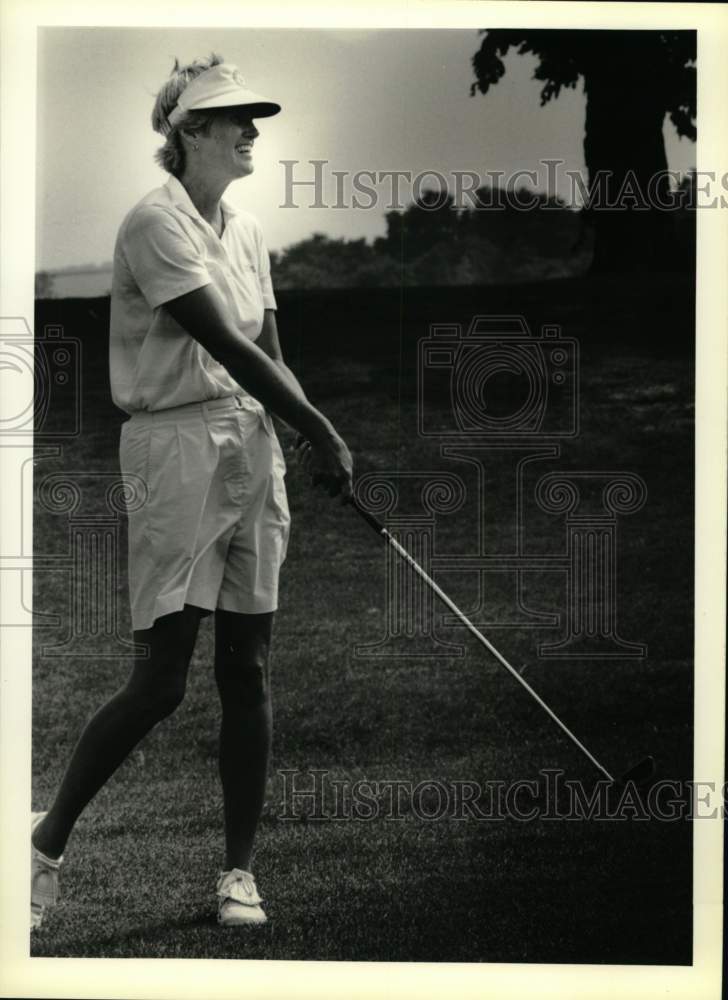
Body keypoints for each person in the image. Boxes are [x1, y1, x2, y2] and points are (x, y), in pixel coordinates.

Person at [30, 53, 353, 931]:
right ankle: (41, 844)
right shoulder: (153, 223)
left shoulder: (245, 232)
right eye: (235, 119)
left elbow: (270, 351)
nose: (253, 132)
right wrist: (322, 426)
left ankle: (237, 875)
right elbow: (229, 346)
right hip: (173, 448)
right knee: (163, 678)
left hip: (252, 445)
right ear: (190, 133)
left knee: (247, 667)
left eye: (255, 118)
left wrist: (293, 434)